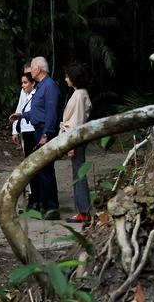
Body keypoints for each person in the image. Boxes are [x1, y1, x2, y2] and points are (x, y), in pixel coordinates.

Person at [19, 55, 61, 218]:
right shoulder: (41, 86)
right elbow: (39, 111)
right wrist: (23, 116)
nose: (31, 70)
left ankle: (52, 208)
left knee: (46, 169)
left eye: (33, 67)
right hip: (38, 129)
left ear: (39, 69)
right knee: (41, 170)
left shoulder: (49, 86)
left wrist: (46, 134)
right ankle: (45, 204)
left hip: (44, 131)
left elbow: (51, 112)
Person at [61, 62, 94, 221]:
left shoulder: (80, 95)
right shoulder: (79, 93)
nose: (65, 79)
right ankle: (83, 210)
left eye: (67, 76)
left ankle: (83, 211)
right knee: (77, 172)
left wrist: (72, 144)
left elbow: (78, 122)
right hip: (76, 138)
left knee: (79, 173)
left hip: (77, 139)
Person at [10, 70, 37, 212]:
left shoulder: (37, 93)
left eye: (25, 82)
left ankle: (35, 196)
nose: (23, 85)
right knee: (27, 165)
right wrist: (15, 129)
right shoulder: (24, 92)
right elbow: (19, 109)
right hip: (25, 130)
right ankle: (31, 196)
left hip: (34, 130)